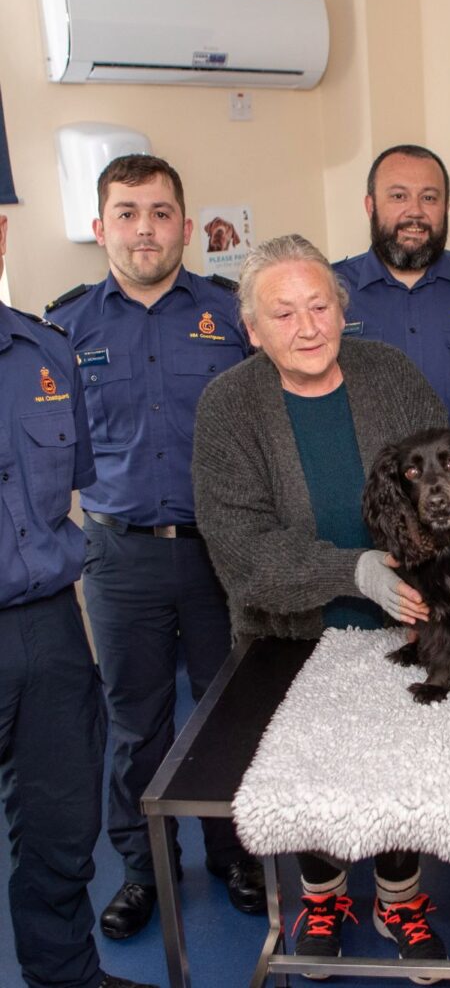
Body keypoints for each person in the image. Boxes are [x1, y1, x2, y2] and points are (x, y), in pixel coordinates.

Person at [192, 234, 450, 973]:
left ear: (342, 311)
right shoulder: (229, 406)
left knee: (402, 773)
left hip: (400, 629)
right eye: (284, 314)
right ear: (253, 328)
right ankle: (324, 891)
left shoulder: (393, 377)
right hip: (290, 637)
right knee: (309, 779)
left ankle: (399, 897)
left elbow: (444, 493)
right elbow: (239, 550)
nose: (307, 328)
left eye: (319, 307)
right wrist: (353, 570)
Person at [44, 155, 261, 939]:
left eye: (162, 212)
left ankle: (234, 855)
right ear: (102, 227)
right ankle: (145, 869)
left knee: (226, 711)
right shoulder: (65, 326)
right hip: (118, 554)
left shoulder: (233, 314)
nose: (146, 228)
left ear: (185, 223)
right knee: (135, 722)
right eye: (128, 212)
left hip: (219, 550)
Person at [0, 213, 156, 988]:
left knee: (63, 830)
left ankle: (65, 977)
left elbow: (75, 480)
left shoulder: (44, 351)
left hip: (48, 625)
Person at [334, 144, 450, 419]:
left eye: (429, 198)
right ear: (371, 206)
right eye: (398, 196)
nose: (414, 212)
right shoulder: (330, 291)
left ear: (446, 207)